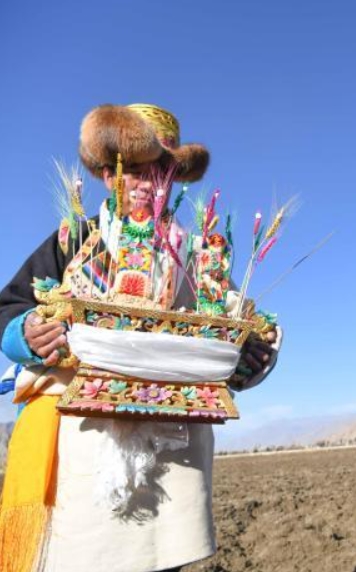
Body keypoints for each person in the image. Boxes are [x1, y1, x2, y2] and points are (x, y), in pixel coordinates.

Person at [0, 104, 279, 572]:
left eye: (164, 171)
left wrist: (253, 352)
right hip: (82, 444)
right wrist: (29, 332)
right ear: (109, 175)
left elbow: (236, 327)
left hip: (173, 451)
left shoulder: (198, 254)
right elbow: (9, 307)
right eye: (139, 172)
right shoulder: (73, 240)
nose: (152, 184)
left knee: (160, 560)